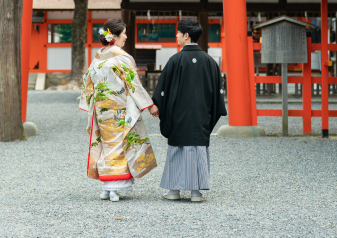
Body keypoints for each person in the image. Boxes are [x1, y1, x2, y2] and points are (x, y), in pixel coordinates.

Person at [79, 18, 159, 202]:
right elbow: (134, 84)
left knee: (108, 145)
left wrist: (91, 102)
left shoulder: (97, 58)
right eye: (123, 33)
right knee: (121, 144)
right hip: (119, 109)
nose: (126, 36)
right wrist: (150, 105)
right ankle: (114, 187)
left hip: (102, 110)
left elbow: (87, 81)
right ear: (113, 36)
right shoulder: (122, 58)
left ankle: (106, 187)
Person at [151, 18, 227, 202]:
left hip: (178, 116)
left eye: (178, 33)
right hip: (201, 115)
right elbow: (217, 94)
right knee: (198, 149)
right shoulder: (210, 62)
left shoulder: (175, 60)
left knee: (177, 149)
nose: (176, 36)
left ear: (186, 35)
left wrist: (157, 106)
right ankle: (196, 192)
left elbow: (163, 89)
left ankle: (174, 191)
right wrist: (210, 114)